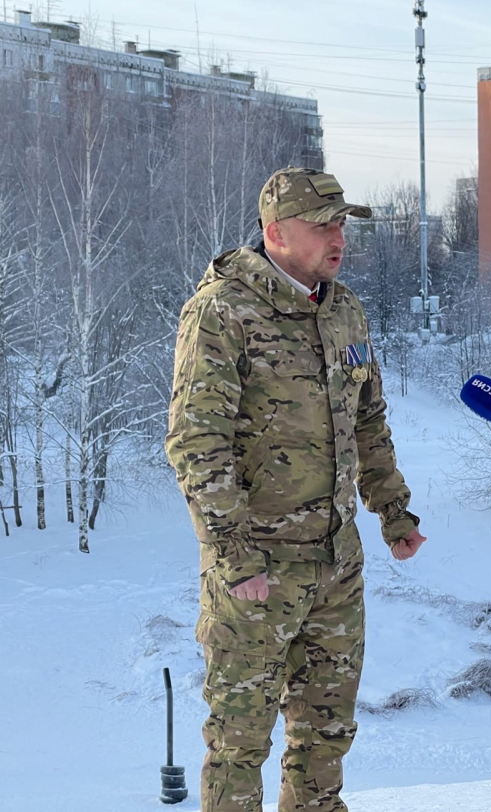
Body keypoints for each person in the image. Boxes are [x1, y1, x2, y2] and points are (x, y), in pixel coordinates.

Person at [165, 166, 426, 812]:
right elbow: (197, 443)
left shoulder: (344, 311)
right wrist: (235, 555)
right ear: (275, 231)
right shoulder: (224, 311)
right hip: (257, 574)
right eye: (322, 225)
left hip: (335, 569)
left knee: (324, 741)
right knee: (238, 745)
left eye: (342, 223)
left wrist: (392, 510)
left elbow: (368, 419)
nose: (339, 237)